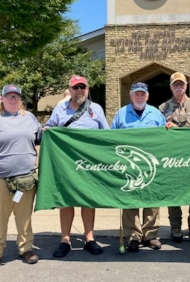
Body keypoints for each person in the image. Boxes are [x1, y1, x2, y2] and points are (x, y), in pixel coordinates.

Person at [0, 84, 41, 271]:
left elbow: (42, 138)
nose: (13, 99)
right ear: (2, 99)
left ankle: (26, 248)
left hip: (25, 179)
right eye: (9, 96)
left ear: (20, 100)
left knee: (24, 216)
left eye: (16, 96)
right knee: (0, 216)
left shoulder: (30, 118)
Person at [44, 75, 110, 257]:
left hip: (89, 165)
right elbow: (49, 128)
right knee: (66, 200)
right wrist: (47, 130)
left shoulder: (96, 109)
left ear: (88, 89)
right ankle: (65, 239)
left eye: (83, 87)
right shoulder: (60, 108)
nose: (80, 90)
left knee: (88, 200)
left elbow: (106, 135)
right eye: (76, 87)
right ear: (70, 89)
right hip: (66, 164)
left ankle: (89, 238)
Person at [111, 82, 166, 253]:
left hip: (151, 165)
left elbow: (166, 138)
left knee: (152, 200)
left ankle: (150, 235)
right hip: (129, 166)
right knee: (130, 200)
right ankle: (133, 236)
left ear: (147, 96)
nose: (140, 97)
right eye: (137, 94)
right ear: (131, 95)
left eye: (143, 94)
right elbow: (111, 138)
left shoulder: (156, 114)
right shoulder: (121, 114)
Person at [159, 72, 190, 243]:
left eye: (182, 84)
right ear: (171, 87)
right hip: (173, 157)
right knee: (173, 191)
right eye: (175, 84)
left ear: (186, 86)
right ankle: (175, 226)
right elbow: (159, 133)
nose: (179, 86)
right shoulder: (162, 108)